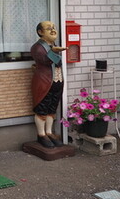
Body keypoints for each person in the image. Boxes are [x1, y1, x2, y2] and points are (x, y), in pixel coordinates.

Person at [30, 20, 67, 148]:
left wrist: (54, 50)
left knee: (52, 108)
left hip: (57, 80)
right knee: (42, 108)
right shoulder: (37, 47)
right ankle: (41, 135)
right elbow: (46, 60)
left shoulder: (54, 46)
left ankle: (49, 132)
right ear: (40, 32)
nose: (53, 30)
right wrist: (54, 51)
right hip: (44, 82)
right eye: (49, 28)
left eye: (54, 27)